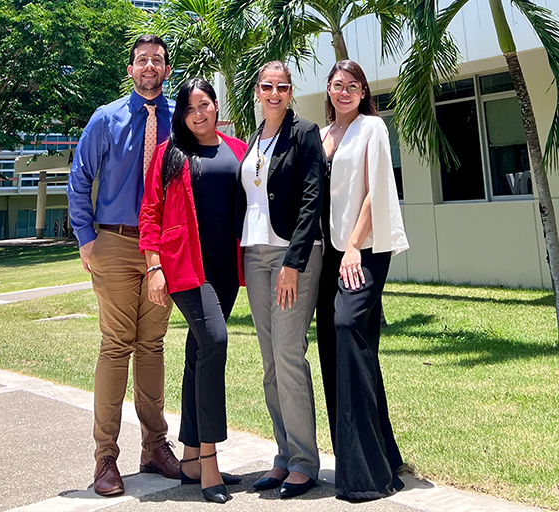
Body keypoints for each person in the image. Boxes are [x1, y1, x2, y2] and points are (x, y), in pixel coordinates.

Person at [66, 34, 180, 497]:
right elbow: (79, 178)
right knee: (116, 346)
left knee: (152, 346)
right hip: (115, 242)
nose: (150, 66)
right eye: (142, 60)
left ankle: (155, 446)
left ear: (166, 70)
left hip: (163, 251)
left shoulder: (181, 117)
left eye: (157, 60)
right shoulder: (105, 118)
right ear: (131, 69)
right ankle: (105, 459)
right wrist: (87, 238)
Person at [139, 78, 247, 504]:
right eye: (189, 108)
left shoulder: (237, 149)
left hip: (226, 266)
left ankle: (186, 458)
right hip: (187, 266)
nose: (198, 113)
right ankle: (209, 463)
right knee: (216, 342)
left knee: (199, 352)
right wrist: (154, 267)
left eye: (204, 104)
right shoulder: (169, 155)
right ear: (181, 115)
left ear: (216, 105)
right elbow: (150, 211)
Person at [316, 59, 410, 501]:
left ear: (363, 90)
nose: (344, 91)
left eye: (353, 85)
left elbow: (376, 190)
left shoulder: (373, 127)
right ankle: (384, 454)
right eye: (338, 85)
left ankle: (368, 474)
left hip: (367, 250)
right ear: (329, 90)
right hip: (331, 253)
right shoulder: (322, 136)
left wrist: (354, 245)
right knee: (345, 349)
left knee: (347, 328)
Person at [237, 61, 325, 499]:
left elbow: (313, 196)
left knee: (289, 353)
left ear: (291, 93)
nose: (274, 93)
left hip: (294, 255)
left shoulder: (304, 133)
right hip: (254, 256)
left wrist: (294, 260)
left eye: (282, 87)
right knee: (270, 360)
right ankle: (284, 455)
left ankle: (306, 462)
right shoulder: (254, 140)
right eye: (267, 86)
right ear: (257, 91)